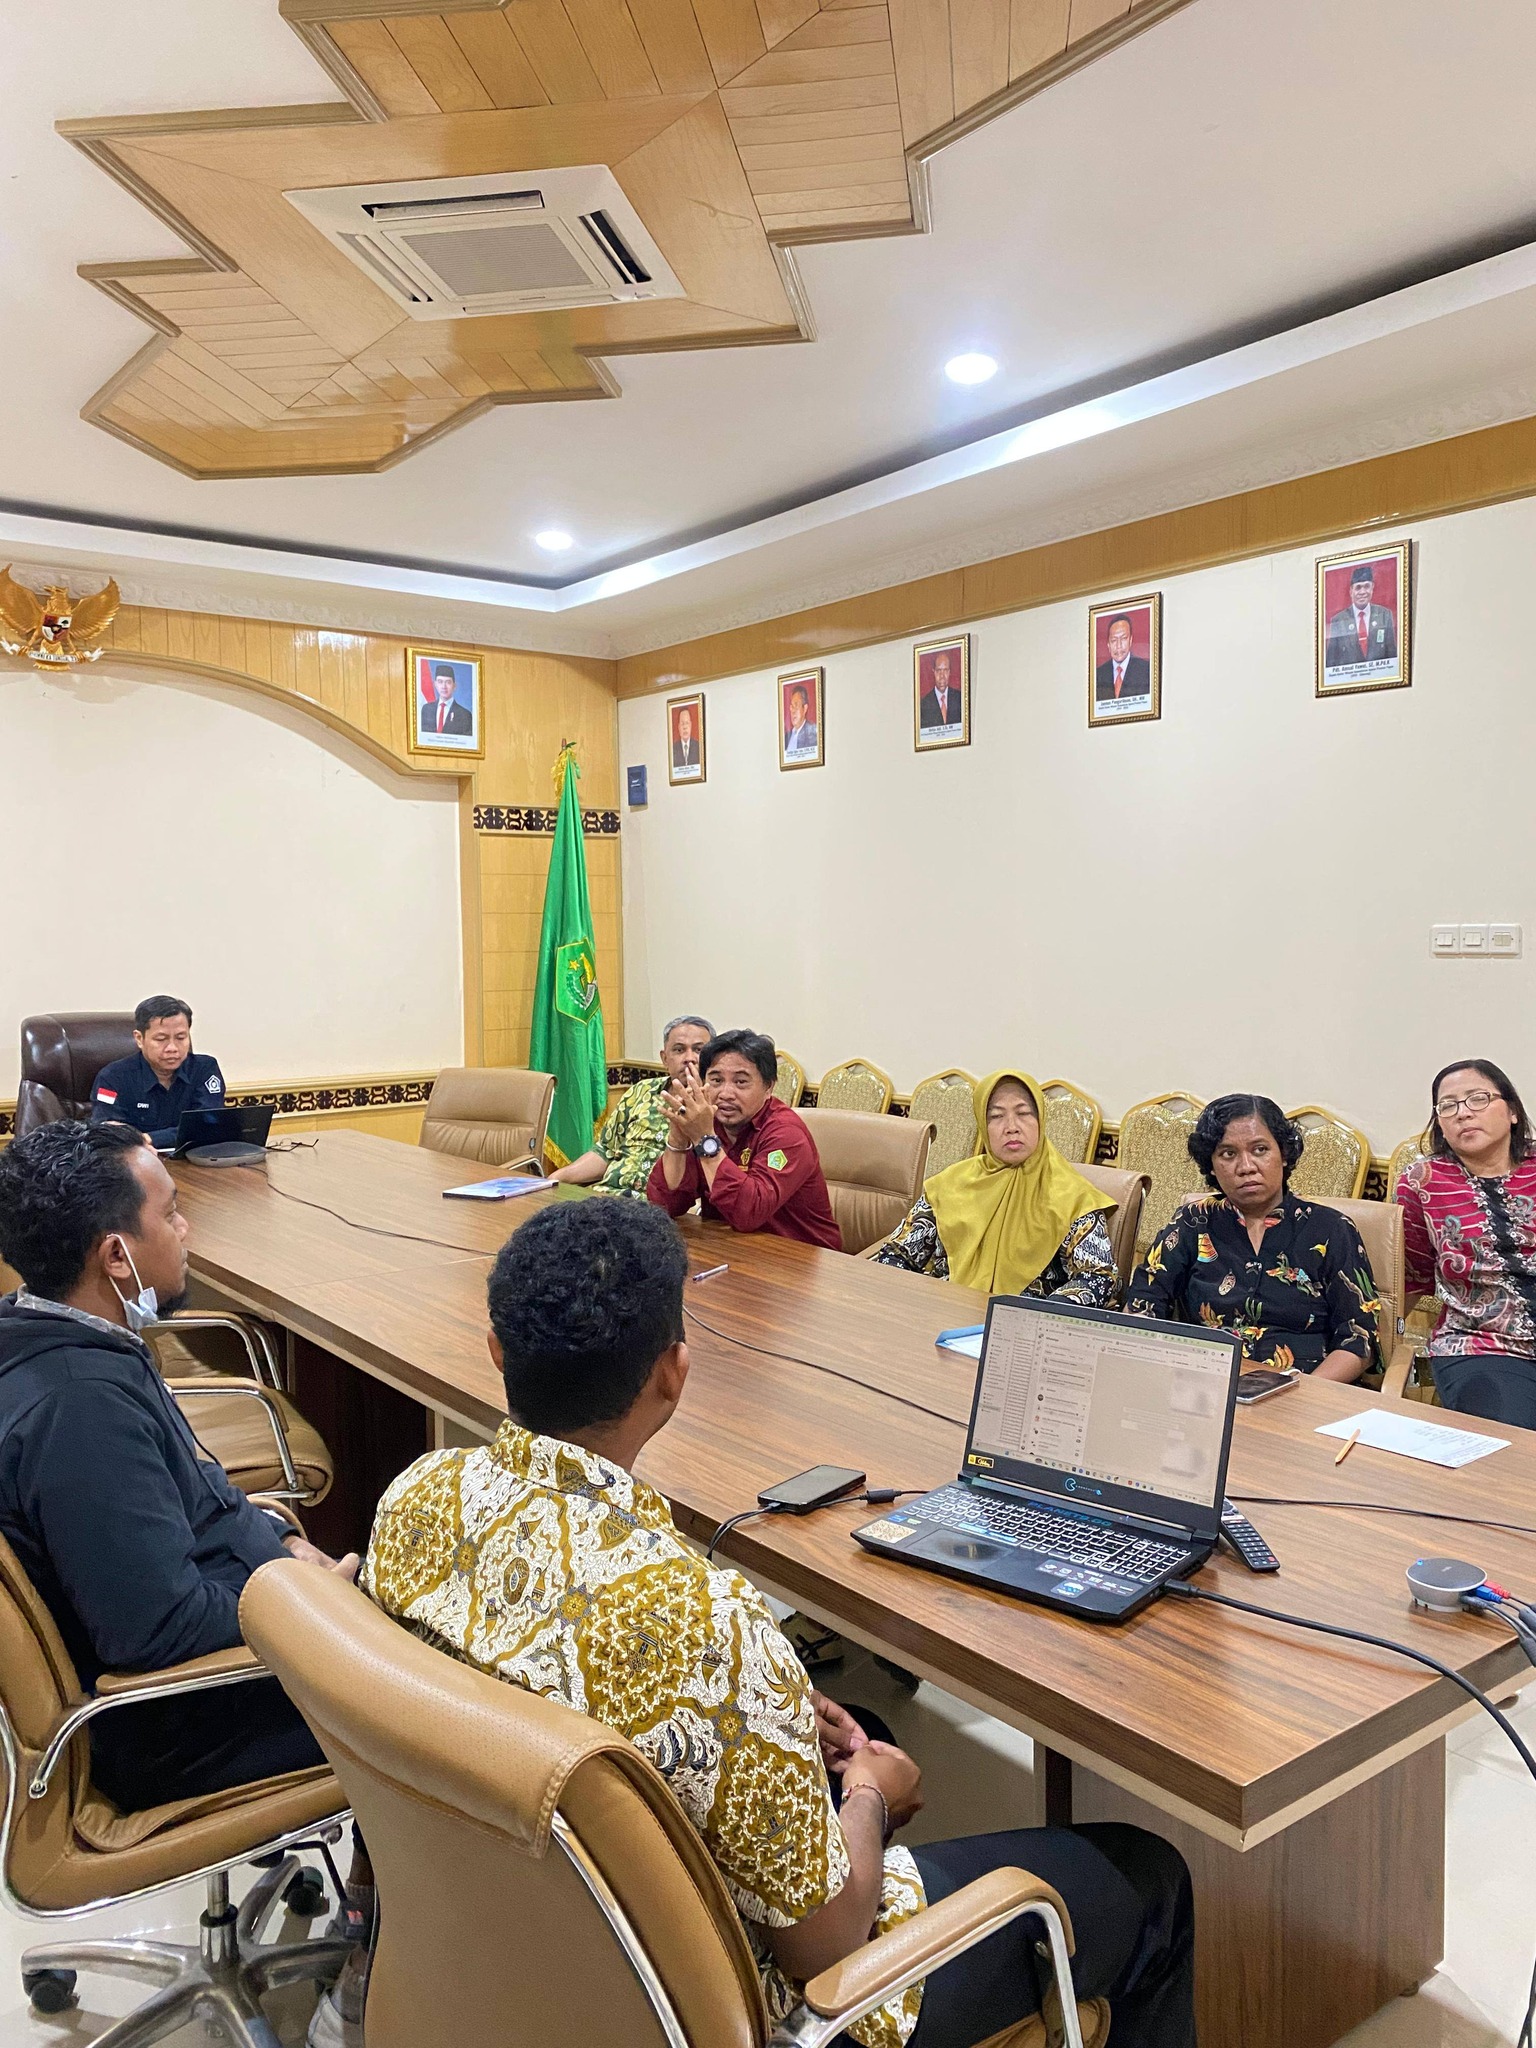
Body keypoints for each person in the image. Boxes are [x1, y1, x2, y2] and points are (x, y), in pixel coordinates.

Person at [363, 1199, 1196, 2048]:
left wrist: (770, 1697)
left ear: (496, 1351)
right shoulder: (707, 1617)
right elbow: (827, 1946)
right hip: (745, 2005)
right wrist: (872, 1798)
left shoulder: (415, 1496)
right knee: (1151, 1874)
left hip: (514, 1935)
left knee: (859, 1728)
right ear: (674, 1373)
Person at [0, 1120, 373, 2047]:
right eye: (171, 1213)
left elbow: (189, 1503)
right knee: (433, 1708)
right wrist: (315, 1610)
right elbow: (156, 1631)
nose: (187, 1229)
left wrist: (277, 1541)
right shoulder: (77, 1408)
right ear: (116, 1255)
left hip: (219, 1637)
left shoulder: (62, 1342)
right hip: (172, 1723)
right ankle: (366, 1979)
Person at [1125, 1094, 1381, 1379]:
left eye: (1260, 1150)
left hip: (1306, 1386)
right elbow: (1143, 1304)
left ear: (1284, 1154)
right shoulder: (1193, 1221)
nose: (1246, 1166)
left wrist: (1303, 1392)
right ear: (1211, 1165)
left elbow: (1360, 1338)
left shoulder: (1331, 1229)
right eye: (1228, 1154)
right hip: (1203, 1382)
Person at [874, 1071, 1117, 1302]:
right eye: (996, 1116)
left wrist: (1039, 1314)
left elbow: (1097, 1277)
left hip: (1023, 1322)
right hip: (941, 1311)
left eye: (1023, 1113)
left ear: (1041, 1121)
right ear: (983, 1125)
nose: (1012, 1127)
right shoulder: (951, 1184)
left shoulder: (1074, 1196)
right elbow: (896, 1253)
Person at [1396, 1059, 1536, 1424]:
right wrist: (1378, 1346)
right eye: (1448, 1106)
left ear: (1513, 1111)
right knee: (1513, 1436)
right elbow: (1410, 1277)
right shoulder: (1421, 1182)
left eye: (1477, 1099)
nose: (1463, 1113)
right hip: (1482, 1345)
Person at [646, 1028, 841, 1249]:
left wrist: (705, 1139)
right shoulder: (708, 1121)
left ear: (768, 1087)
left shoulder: (786, 1133)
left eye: (740, 1082)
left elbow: (748, 1213)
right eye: (716, 1080)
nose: (726, 1094)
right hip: (734, 1250)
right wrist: (678, 1137)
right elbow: (664, 1204)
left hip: (803, 1258)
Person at [548, 1014, 714, 1195]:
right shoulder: (641, 1091)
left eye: (698, 1050)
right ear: (665, 1058)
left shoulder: (715, 1106)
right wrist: (557, 1177)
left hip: (656, 1203)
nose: (689, 1058)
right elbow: (605, 1151)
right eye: (679, 1050)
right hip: (606, 1194)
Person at [90, 994, 227, 1149]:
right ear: (139, 1039)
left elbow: (209, 1124)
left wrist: (147, 1139)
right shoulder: (112, 1078)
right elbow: (109, 1132)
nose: (172, 1048)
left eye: (181, 1038)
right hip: (133, 1160)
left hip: (192, 1158)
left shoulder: (204, 1069)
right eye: (161, 1039)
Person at [1324, 563, 1397, 671]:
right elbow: (1331, 662)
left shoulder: (1384, 615)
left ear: (1372, 588)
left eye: (1366, 586)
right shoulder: (1338, 620)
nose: (1362, 592)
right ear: (1351, 591)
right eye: (1358, 588)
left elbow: (1392, 656)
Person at [1095, 615, 1151, 703]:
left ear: (1130, 640)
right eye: (1114, 640)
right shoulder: (1098, 675)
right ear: (1108, 644)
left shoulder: (1146, 670)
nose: (1119, 645)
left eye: (1124, 638)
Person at [420, 660, 472, 736]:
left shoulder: (465, 715)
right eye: (440, 682)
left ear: (454, 686)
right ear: (435, 684)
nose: (444, 686)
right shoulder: (426, 709)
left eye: (448, 682)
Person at [919, 648, 963, 731]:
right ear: (934, 672)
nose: (942, 676)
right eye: (939, 671)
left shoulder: (960, 699)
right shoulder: (923, 704)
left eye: (945, 670)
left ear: (949, 672)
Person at [784, 683, 819, 756]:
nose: (793, 711)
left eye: (796, 705)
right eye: (791, 706)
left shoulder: (813, 734)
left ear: (805, 708)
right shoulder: (785, 737)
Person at [672, 704, 700, 772]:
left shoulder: (698, 747)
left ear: (691, 725)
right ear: (679, 727)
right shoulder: (673, 749)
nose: (685, 727)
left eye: (687, 723)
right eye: (682, 724)